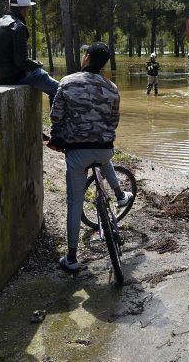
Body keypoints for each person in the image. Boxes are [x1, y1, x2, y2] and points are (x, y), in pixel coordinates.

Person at [46, 42, 133, 273]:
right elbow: (114, 122)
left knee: (74, 203)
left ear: (86, 58)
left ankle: (72, 258)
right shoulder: (113, 88)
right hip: (105, 149)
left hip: (77, 153)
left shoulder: (67, 83)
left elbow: (55, 117)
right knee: (104, 158)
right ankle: (119, 194)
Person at [0, 0, 59, 103]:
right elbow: (21, 62)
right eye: (28, 9)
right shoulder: (18, 27)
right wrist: (36, 65)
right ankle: (58, 119)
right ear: (24, 9)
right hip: (12, 76)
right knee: (58, 89)